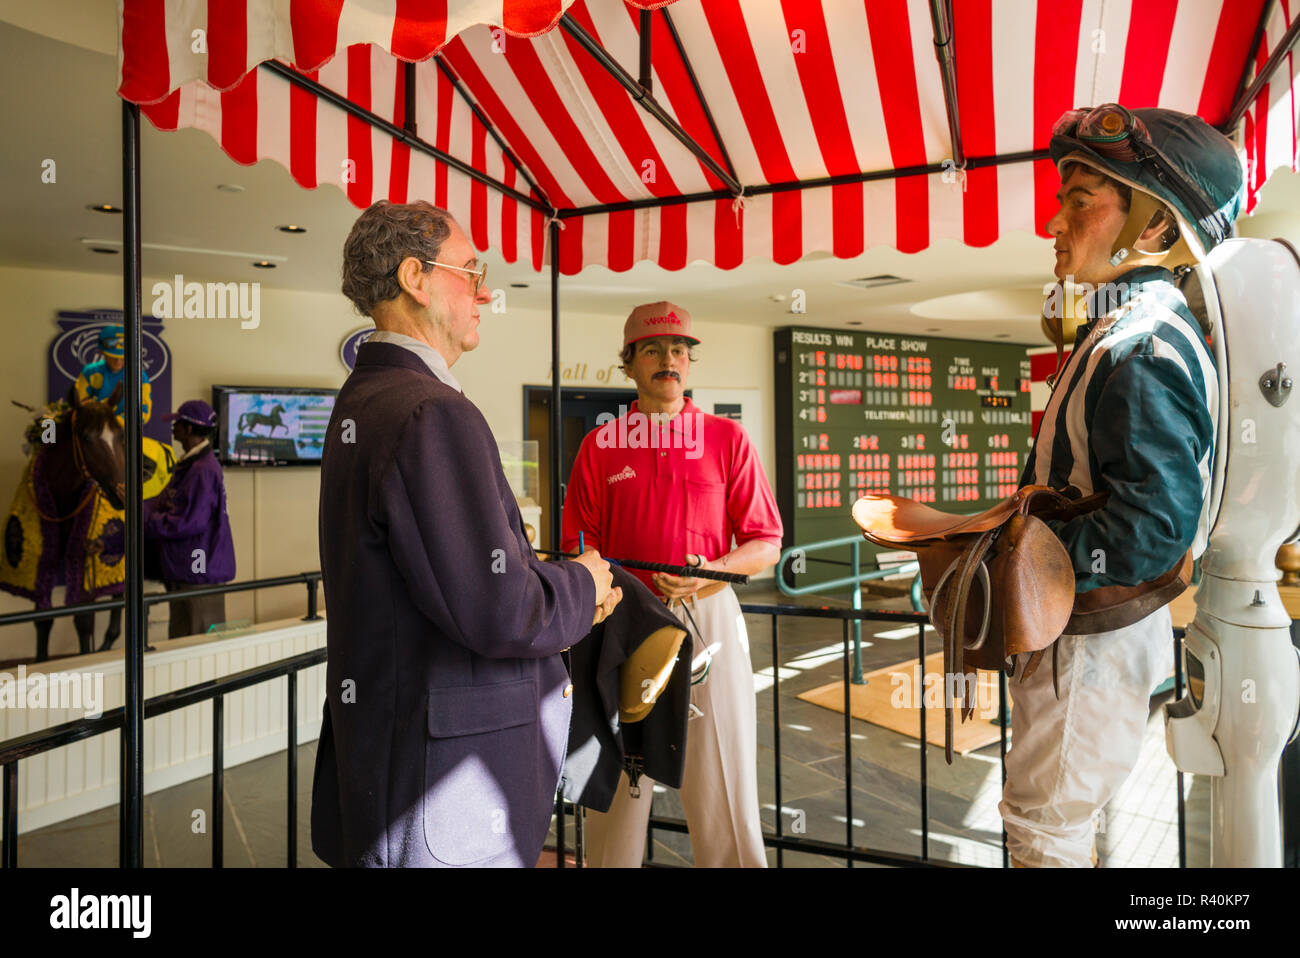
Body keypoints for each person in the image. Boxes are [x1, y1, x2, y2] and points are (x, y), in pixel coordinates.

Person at [312, 200, 621, 868]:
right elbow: (498, 607)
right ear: (415, 278)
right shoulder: (429, 412)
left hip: (396, 772)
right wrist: (583, 584)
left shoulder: (366, 398)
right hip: (440, 795)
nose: (485, 292)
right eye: (471, 271)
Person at [1000, 105, 1244, 867]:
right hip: (1085, 633)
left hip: (1089, 639)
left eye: (1082, 199)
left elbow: (1149, 528)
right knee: (1072, 820)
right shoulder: (1123, 330)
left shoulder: (1138, 342)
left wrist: (1019, 563)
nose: (1056, 222)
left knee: (1047, 830)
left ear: (1155, 230)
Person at [562, 302, 783, 867]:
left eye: (679, 349)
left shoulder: (726, 439)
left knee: (723, 777)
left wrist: (710, 575)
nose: (669, 360)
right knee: (616, 779)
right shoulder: (600, 446)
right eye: (653, 349)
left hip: (708, 621)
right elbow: (575, 548)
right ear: (629, 363)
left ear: (690, 363)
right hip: (620, 620)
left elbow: (765, 541)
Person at [142, 399, 236, 637]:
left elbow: (189, 522)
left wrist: (145, 520)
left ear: (190, 429)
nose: (173, 429)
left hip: (198, 572)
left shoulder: (202, 469)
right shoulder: (192, 465)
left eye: (178, 424)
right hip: (188, 569)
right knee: (184, 639)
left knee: (198, 642)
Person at [74, 324, 152, 423]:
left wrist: (113, 423)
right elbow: (79, 405)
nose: (118, 361)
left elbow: (143, 412)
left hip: (124, 431)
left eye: (123, 356)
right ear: (102, 352)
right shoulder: (90, 372)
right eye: (113, 356)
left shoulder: (139, 376)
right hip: (93, 427)